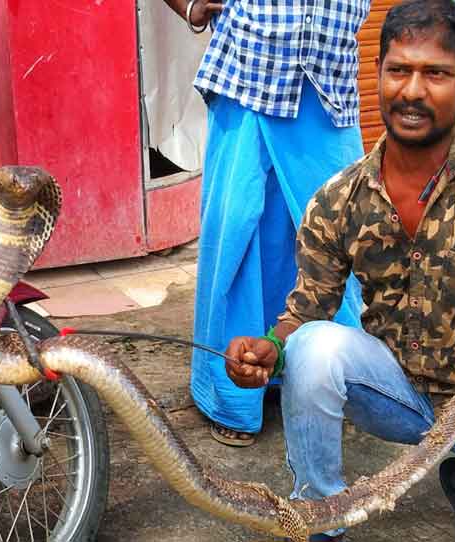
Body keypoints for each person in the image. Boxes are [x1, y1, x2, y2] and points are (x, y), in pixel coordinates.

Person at [222, 1, 455, 541]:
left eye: (437, 74)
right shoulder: (337, 201)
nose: (413, 91)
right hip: (396, 398)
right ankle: (320, 517)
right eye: (398, 70)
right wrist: (269, 351)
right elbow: (303, 317)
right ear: (376, 74)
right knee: (315, 346)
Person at [158, 0, 374, 446]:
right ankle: (233, 396)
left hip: (329, 87)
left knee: (340, 237)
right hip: (248, 80)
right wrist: (192, 6)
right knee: (240, 239)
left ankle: (334, 380)